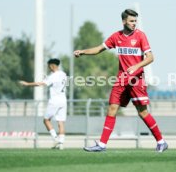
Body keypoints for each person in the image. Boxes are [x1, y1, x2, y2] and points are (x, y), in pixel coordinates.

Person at [74, 9, 168, 152]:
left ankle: (161, 142)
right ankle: (102, 145)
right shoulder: (116, 37)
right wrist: (83, 52)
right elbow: (99, 48)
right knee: (112, 108)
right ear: (124, 21)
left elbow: (150, 57)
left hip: (136, 81)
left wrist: (136, 66)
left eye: (135, 21)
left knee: (142, 112)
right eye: (131, 21)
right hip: (121, 79)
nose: (134, 24)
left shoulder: (140, 36)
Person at [20, 58, 67, 150]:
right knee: (60, 122)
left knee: (46, 120)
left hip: (55, 100)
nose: (49, 67)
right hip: (63, 100)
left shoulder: (53, 76)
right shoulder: (63, 74)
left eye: (49, 66)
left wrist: (27, 84)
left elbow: (40, 84)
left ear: (52, 65)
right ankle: (61, 144)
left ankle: (55, 139)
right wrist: (47, 78)